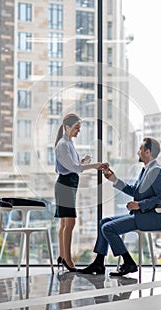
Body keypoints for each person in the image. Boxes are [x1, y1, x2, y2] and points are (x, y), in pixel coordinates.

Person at [78, 136, 161, 276]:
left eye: (140, 149)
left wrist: (140, 205)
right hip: (141, 215)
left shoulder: (157, 172)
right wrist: (114, 179)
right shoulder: (146, 170)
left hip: (151, 218)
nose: (138, 152)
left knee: (108, 228)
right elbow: (134, 190)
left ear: (148, 152)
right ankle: (99, 263)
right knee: (104, 222)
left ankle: (128, 262)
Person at [54, 113, 103, 272]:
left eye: (79, 128)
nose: (78, 131)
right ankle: (68, 260)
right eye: (76, 128)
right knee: (70, 223)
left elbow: (73, 165)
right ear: (67, 127)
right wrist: (95, 165)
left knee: (64, 224)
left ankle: (62, 256)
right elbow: (73, 168)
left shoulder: (68, 143)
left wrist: (83, 162)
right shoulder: (63, 144)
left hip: (68, 185)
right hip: (66, 185)